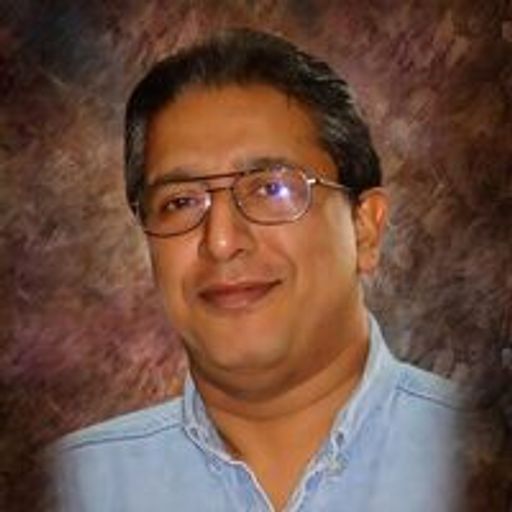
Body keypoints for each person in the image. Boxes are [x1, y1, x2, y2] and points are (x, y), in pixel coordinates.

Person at [50, 28, 468, 511]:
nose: (221, 242)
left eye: (272, 189)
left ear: (364, 230)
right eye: (181, 202)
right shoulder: (75, 486)